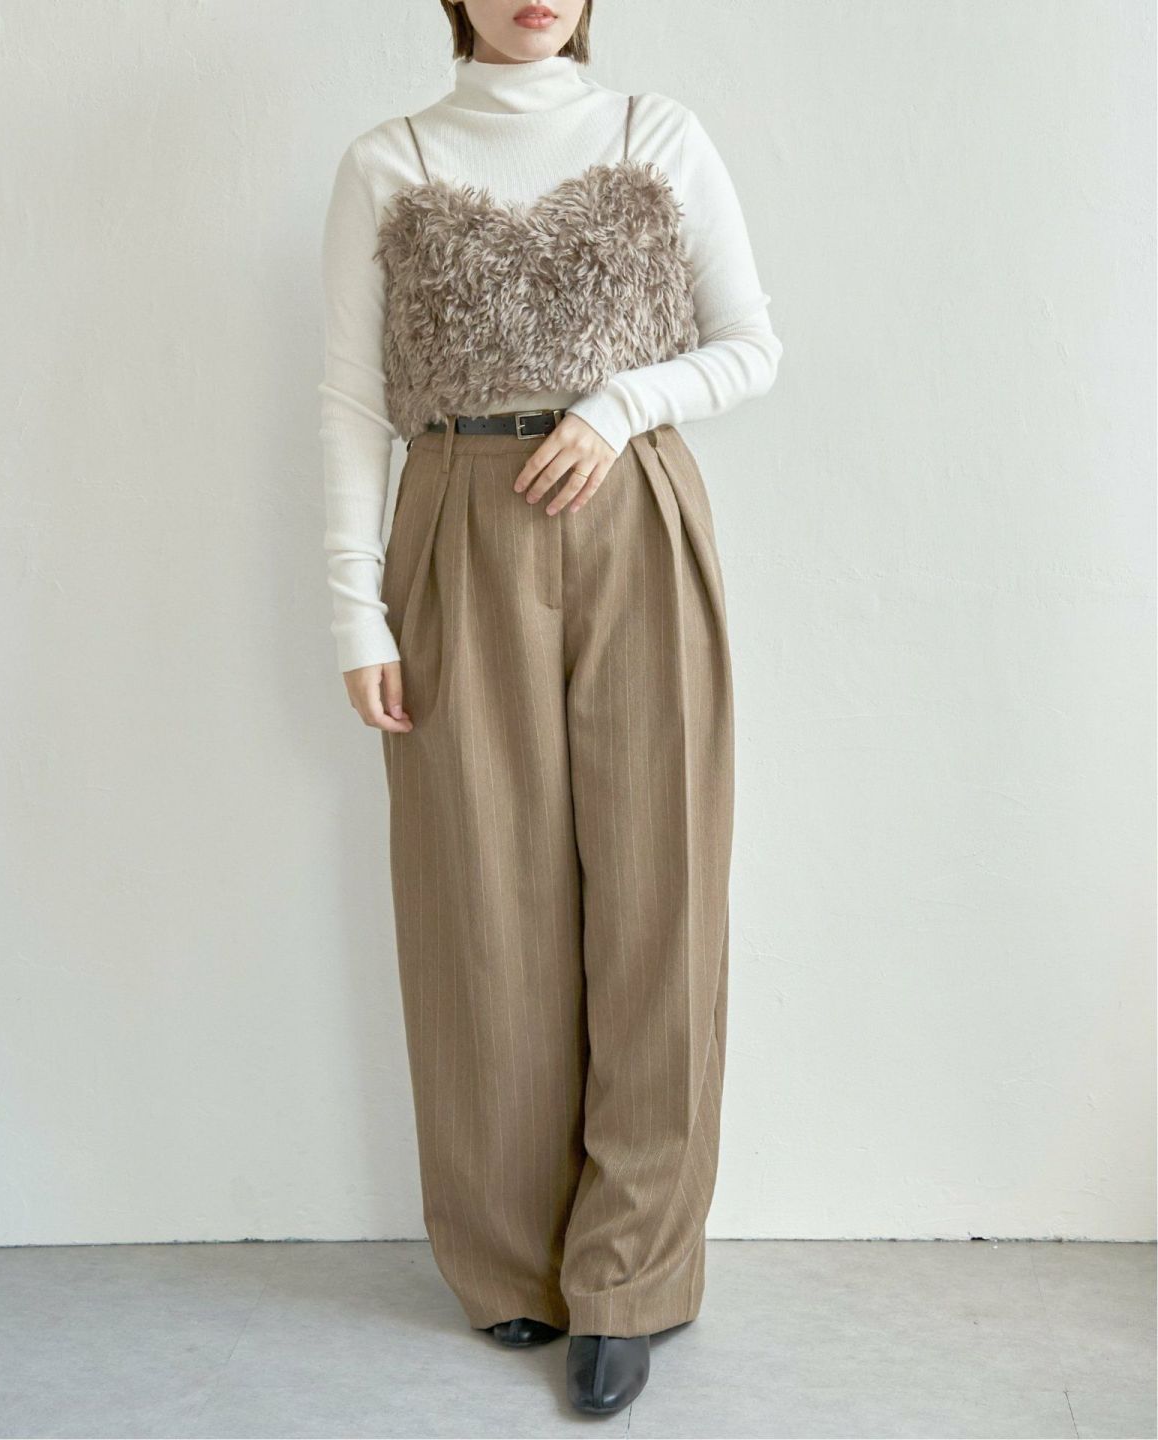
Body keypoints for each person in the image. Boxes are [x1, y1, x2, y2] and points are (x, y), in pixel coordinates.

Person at [317, 0, 783, 1416]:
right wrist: (353, 607)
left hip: (632, 511)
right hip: (455, 517)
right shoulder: (388, 160)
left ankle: (630, 1274)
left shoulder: (657, 134)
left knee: (659, 892)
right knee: (481, 901)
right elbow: (349, 400)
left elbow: (752, 345)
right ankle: (509, 1258)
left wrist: (618, 407)